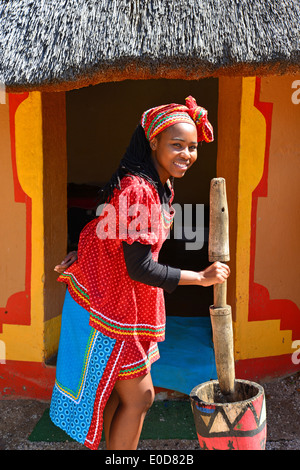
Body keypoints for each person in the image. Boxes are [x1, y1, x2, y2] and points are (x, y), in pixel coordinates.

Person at [50, 96, 230, 451]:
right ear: (154, 143)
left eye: (193, 147)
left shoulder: (157, 184)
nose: (187, 154)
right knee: (141, 397)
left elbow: (105, 228)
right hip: (109, 304)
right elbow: (141, 266)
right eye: (176, 145)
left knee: (118, 396)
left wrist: (85, 252)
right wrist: (201, 277)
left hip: (119, 297)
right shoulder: (139, 189)